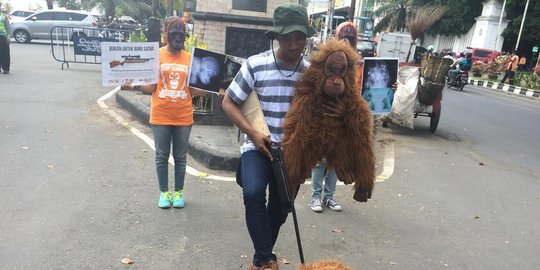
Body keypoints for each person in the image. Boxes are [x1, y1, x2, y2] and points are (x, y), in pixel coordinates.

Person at [222, 3, 333, 269]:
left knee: (281, 208)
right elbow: (229, 102)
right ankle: (266, 259)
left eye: (300, 37)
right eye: (287, 38)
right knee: (253, 193)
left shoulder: (312, 74)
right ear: (276, 37)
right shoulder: (255, 65)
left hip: (294, 153)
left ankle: (261, 259)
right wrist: (252, 133)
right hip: (258, 147)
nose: (294, 44)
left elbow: (322, 115)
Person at [121, 16, 204, 209]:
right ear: (165, 34)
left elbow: (193, 89)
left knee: (181, 157)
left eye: (181, 34)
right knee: (161, 156)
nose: (177, 37)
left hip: (183, 117)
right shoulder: (155, 56)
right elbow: (152, 87)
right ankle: (164, 193)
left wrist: (214, 87)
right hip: (161, 116)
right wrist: (133, 85)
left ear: (185, 36)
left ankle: (179, 192)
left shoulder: (191, 60)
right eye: (173, 33)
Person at [0, 2, 10, 74]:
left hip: (2, 37)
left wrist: (8, 38)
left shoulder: (4, 16)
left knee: (5, 53)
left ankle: (6, 69)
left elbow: (8, 28)